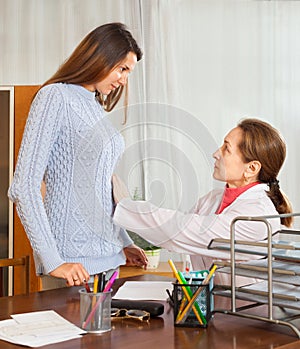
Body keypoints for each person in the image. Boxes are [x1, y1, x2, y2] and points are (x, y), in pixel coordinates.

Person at [8, 22, 148, 290]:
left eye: (128, 72)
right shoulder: (55, 97)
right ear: (99, 58)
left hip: (109, 261)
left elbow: (99, 189)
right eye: (122, 69)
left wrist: (125, 242)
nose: (124, 80)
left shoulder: (95, 107)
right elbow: (24, 186)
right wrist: (53, 261)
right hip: (72, 267)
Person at [112, 118, 293, 286]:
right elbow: (171, 236)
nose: (216, 154)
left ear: (251, 168)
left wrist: (125, 204)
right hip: (211, 307)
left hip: (246, 313)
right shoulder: (212, 199)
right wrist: (126, 243)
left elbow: (179, 229)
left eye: (226, 149)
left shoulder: (257, 215)